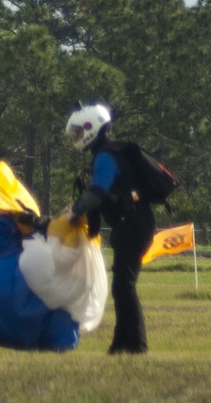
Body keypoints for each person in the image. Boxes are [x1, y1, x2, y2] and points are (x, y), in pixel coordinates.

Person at [66, 102, 156, 354]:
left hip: (134, 224)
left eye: (78, 132)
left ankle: (137, 346)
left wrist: (76, 210)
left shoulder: (106, 156)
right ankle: (120, 346)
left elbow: (97, 194)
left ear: (91, 128)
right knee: (122, 285)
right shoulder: (107, 154)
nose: (77, 138)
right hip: (132, 224)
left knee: (123, 285)